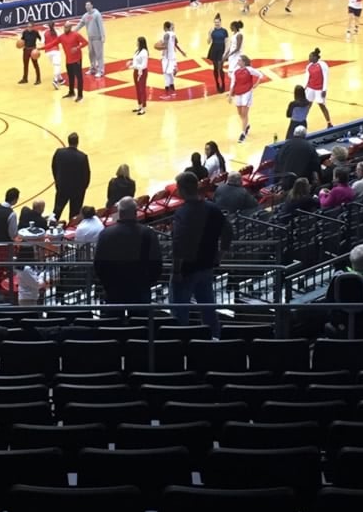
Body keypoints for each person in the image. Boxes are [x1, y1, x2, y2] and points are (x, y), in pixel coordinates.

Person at [169, 170, 232, 336]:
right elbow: (228, 231)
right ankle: (214, 341)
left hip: (186, 270)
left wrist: (176, 270)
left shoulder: (182, 212)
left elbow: (178, 243)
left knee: (179, 311)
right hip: (207, 266)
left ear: (181, 189)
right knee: (208, 308)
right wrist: (220, 255)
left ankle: (181, 342)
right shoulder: (213, 208)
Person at [94, 197, 164, 314]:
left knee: (113, 325)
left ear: (119, 213)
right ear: (136, 212)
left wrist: (107, 283)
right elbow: (156, 262)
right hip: (140, 286)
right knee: (140, 324)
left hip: (114, 287)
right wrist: (148, 282)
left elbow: (98, 264)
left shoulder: (106, 234)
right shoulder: (148, 233)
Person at [51, 131, 91, 221]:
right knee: (74, 214)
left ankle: (51, 228)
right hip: (77, 191)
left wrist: (57, 180)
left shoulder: (59, 152)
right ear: (78, 142)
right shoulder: (82, 157)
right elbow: (86, 175)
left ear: (68, 141)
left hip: (62, 187)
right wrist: (83, 188)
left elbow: (54, 167)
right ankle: (71, 232)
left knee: (57, 210)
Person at [230, 54, 266, 144]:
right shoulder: (235, 71)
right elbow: (233, 83)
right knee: (239, 113)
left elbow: (260, 75)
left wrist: (256, 84)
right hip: (238, 92)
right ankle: (246, 125)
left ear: (243, 62)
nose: (237, 62)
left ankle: (243, 134)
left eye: (239, 60)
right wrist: (230, 95)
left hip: (247, 93)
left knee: (244, 113)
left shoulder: (249, 70)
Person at [274, 124, 319, 189]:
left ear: (294, 133)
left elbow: (277, 160)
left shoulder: (285, 145)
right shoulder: (309, 146)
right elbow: (315, 165)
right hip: (301, 183)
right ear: (305, 135)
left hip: (285, 181)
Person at [57, 24, 88, 102]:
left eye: (67, 27)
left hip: (77, 59)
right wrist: (41, 48)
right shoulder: (62, 37)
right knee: (70, 76)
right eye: (64, 27)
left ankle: (80, 95)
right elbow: (53, 43)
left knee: (79, 77)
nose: (65, 28)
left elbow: (85, 42)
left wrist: (77, 48)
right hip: (68, 60)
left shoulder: (76, 35)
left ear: (70, 28)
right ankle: (71, 92)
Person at [304, 48, 333, 128]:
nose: (309, 58)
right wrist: (304, 88)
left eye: (310, 56)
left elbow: (325, 77)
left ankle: (329, 122)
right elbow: (306, 78)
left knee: (322, 106)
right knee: (307, 105)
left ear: (315, 57)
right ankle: (302, 121)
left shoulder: (323, 65)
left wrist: (324, 89)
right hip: (311, 88)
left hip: (319, 89)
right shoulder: (308, 66)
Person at [159, 21, 186, 99]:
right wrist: (182, 52)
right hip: (173, 56)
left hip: (168, 57)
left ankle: (167, 92)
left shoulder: (166, 35)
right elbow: (176, 44)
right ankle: (172, 89)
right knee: (169, 73)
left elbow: (165, 46)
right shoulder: (173, 34)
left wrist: (158, 47)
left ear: (165, 27)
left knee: (166, 73)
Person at [80, 2, 107, 79]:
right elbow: (80, 24)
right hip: (90, 38)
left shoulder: (97, 14)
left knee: (99, 55)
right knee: (91, 54)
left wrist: (103, 36)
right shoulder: (85, 16)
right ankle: (93, 68)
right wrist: (73, 31)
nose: (87, 6)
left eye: (88, 5)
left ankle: (101, 70)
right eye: (86, 5)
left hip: (97, 38)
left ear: (92, 5)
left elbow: (101, 26)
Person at [206, 15, 228, 93]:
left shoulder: (224, 31)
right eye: (215, 22)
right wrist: (209, 34)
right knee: (215, 68)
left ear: (220, 22)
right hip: (214, 49)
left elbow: (226, 42)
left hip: (221, 49)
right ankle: (217, 83)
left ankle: (223, 83)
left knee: (220, 68)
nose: (216, 23)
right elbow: (208, 42)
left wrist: (225, 52)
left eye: (218, 22)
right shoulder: (212, 30)